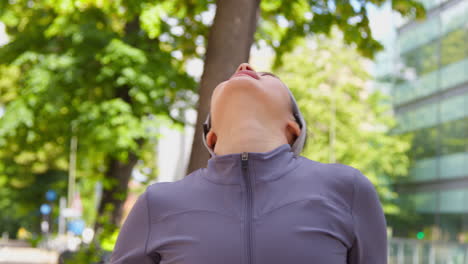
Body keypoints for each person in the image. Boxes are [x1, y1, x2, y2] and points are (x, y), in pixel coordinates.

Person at [110, 63, 387, 264]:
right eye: (230, 76)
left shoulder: (347, 190)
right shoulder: (156, 203)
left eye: (266, 76)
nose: (244, 66)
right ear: (211, 136)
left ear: (294, 128)